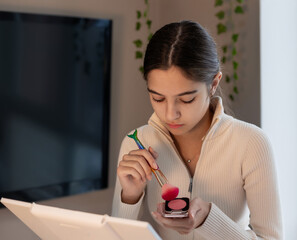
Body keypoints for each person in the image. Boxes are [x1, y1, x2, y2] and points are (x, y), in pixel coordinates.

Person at [112, 20, 283, 240]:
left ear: (213, 84)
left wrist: (208, 220)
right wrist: (130, 197)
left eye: (186, 99)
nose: (170, 114)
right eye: (158, 98)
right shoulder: (136, 143)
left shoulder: (251, 143)